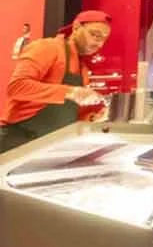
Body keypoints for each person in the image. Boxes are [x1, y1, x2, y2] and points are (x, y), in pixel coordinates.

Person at [0, 11, 110, 153]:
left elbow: (70, 113)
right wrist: (70, 91)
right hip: (15, 143)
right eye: (94, 35)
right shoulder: (46, 48)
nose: (99, 43)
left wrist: (93, 117)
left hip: (48, 149)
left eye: (103, 39)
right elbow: (17, 87)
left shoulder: (83, 70)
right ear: (76, 27)